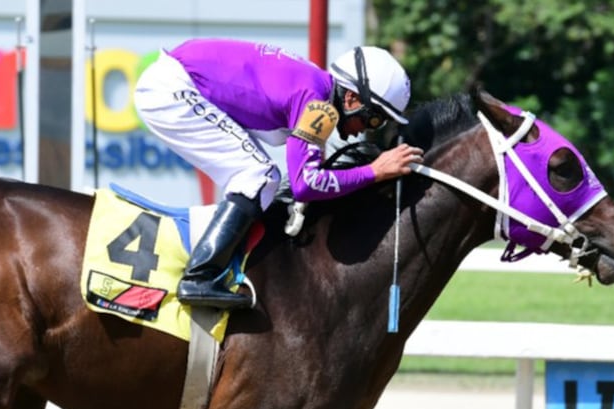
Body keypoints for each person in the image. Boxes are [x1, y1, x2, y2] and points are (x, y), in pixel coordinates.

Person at [133, 38, 424, 310]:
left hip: (174, 80)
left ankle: (218, 262)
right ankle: (199, 276)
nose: (367, 129)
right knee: (258, 177)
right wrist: (374, 171)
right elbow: (305, 184)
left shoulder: (317, 88)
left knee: (262, 178)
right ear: (350, 99)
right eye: (374, 118)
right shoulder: (317, 103)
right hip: (172, 89)